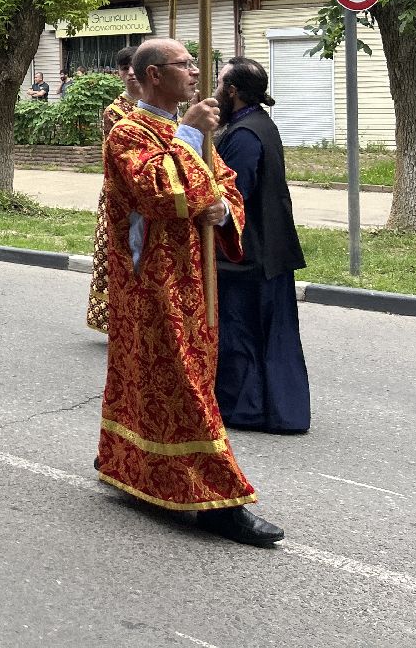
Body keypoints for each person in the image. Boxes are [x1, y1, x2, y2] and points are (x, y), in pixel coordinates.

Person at [95, 38, 283, 547]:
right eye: (185, 64)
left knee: (179, 378)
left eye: (196, 63)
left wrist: (224, 211)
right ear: (155, 75)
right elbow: (160, 193)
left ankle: (135, 468)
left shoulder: (194, 131)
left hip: (196, 276)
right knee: (186, 388)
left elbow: (221, 185)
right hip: (153, 284)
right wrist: (188, 135)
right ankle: (220, 501)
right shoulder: (128, 133)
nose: (197, 72)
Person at [215, 57, 310, 434]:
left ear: (233, 91)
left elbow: (233, 196)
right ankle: (273, 408)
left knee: (244, 330)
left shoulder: (244, 134)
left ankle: (248, 408)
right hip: (268, 247)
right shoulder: (256, 123)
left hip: (251, 252)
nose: (215, 91)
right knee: (266, 331)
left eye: (220, 84)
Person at [85, 45, 141, 335]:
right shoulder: (116, 112)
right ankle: (118, 320)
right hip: (121, 195)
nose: (131, 73)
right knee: (120, 254)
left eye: (135, 66)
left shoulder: (163, 105)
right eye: (124, 68)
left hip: (152, 196)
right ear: (119, 74)